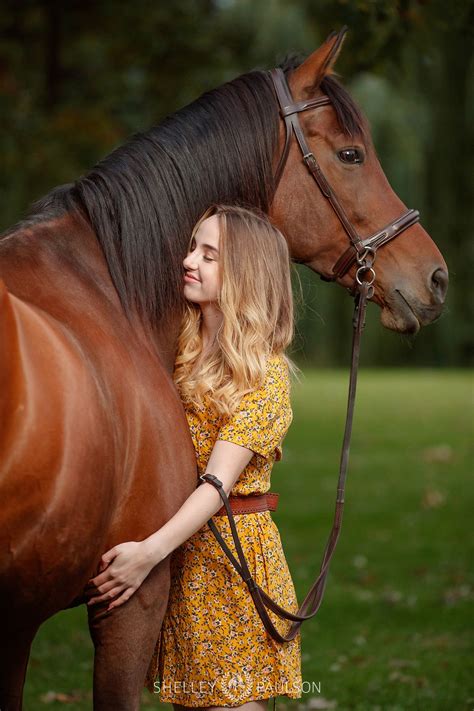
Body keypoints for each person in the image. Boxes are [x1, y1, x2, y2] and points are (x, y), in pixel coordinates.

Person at [87, 204, 302, 709]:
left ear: (244, 276)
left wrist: (146, 553)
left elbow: (216, 484)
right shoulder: (175, 350)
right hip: (185, 565)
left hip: (232, 569)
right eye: (192, 247)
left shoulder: (263, 378)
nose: (189, 261)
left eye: (210, 255)